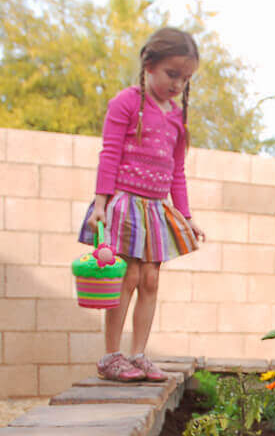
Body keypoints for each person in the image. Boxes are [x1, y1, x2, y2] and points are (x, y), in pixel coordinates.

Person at [78, 27, 205, 382]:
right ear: (148, 65)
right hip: (126, 205)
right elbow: (109, 154)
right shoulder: (127, 103)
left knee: (150, 278)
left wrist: (186, 216)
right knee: (128, 275)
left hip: (155, 210)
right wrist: (100, 202)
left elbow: (176, 172)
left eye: (185, 78)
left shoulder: (176, 118)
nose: (178, 84)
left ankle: (139, 354)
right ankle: (111, 355)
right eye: (172, 74)